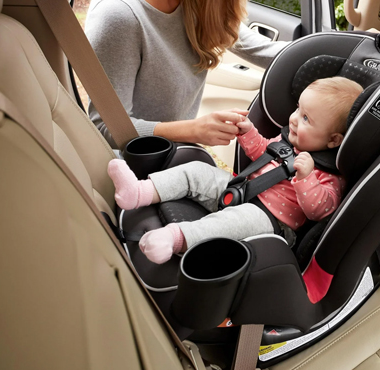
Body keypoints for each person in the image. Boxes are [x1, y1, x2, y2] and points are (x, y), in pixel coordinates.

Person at [107, 77, 363, 264]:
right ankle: (138, 191)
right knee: (198, 170)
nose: (294, 118)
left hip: (270, 221)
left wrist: (306, 178)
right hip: (239, 189)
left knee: (225, 224)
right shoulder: (286, 142)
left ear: (334, 140)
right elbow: (260, 152)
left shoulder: (329, 174)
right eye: (298, 109)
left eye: (307, 118)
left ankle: (173, 238)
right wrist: (248, 131)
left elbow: (320, 210)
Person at [84, 0, 289, 147]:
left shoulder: (199, 7)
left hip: (175, 153)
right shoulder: (118, 16)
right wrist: (193, 131)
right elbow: (106, 128)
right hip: (132, 167)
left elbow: (267, 51)